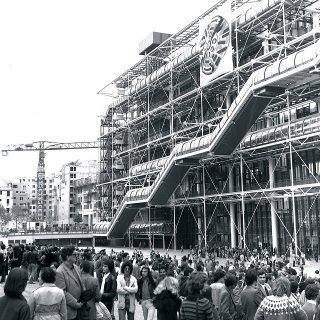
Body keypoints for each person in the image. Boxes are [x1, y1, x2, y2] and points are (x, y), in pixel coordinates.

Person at [55, 245, 84, 320]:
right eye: (74, 254)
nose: (76, 256)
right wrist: (76, 304)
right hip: (69, 311)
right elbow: (62, 292)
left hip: (80, 308)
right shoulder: (59, 272)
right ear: (67, 257)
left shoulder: (76, 267)